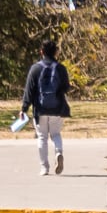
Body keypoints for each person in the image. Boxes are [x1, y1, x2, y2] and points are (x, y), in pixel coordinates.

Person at [19, 37, 71, 175]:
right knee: (55, 134)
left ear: (41, 52)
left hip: (40, 109)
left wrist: (24, 108)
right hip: (57, 108)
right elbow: (66, 87)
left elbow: (29, 90)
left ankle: (44, 167)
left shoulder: (35, 69)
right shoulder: (61, 69)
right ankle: (58, 153)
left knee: (42, 137)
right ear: (56, 52)